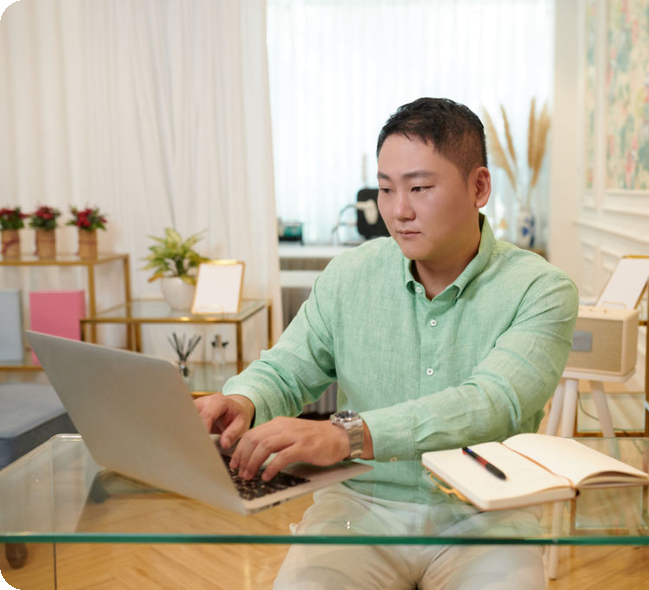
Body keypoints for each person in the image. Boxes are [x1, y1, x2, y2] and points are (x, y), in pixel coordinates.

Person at [196, 97, 578, 589]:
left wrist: (350, 435)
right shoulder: (351, 274)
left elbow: (492, 402)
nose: (399, 211)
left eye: (420, 188)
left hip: (487, 513)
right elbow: (287, 369)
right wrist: (243, 400)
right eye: (385, 189)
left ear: (479, 187)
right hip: (358, 507)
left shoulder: (541, 289)